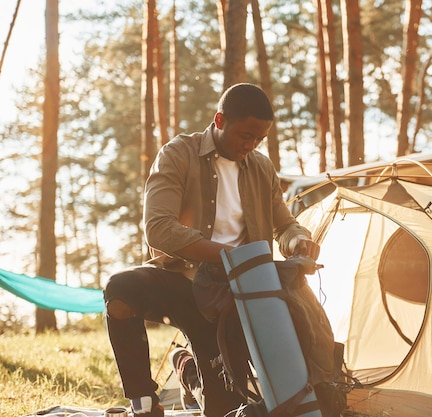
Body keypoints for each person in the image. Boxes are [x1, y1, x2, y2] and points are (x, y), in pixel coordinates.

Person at [104, 83, 320, 417]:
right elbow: (157, 228)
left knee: (222, 411)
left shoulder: (263, 169)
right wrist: (227, 256)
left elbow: (285, 225)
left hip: (236, 297)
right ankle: (144, 403)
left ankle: (189, 370)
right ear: (220, 121)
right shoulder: (178, 154)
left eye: (259, 140)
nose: (250, 146)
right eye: (245, 136)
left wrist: (298, 241)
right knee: (120, 290)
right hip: (183, 283)